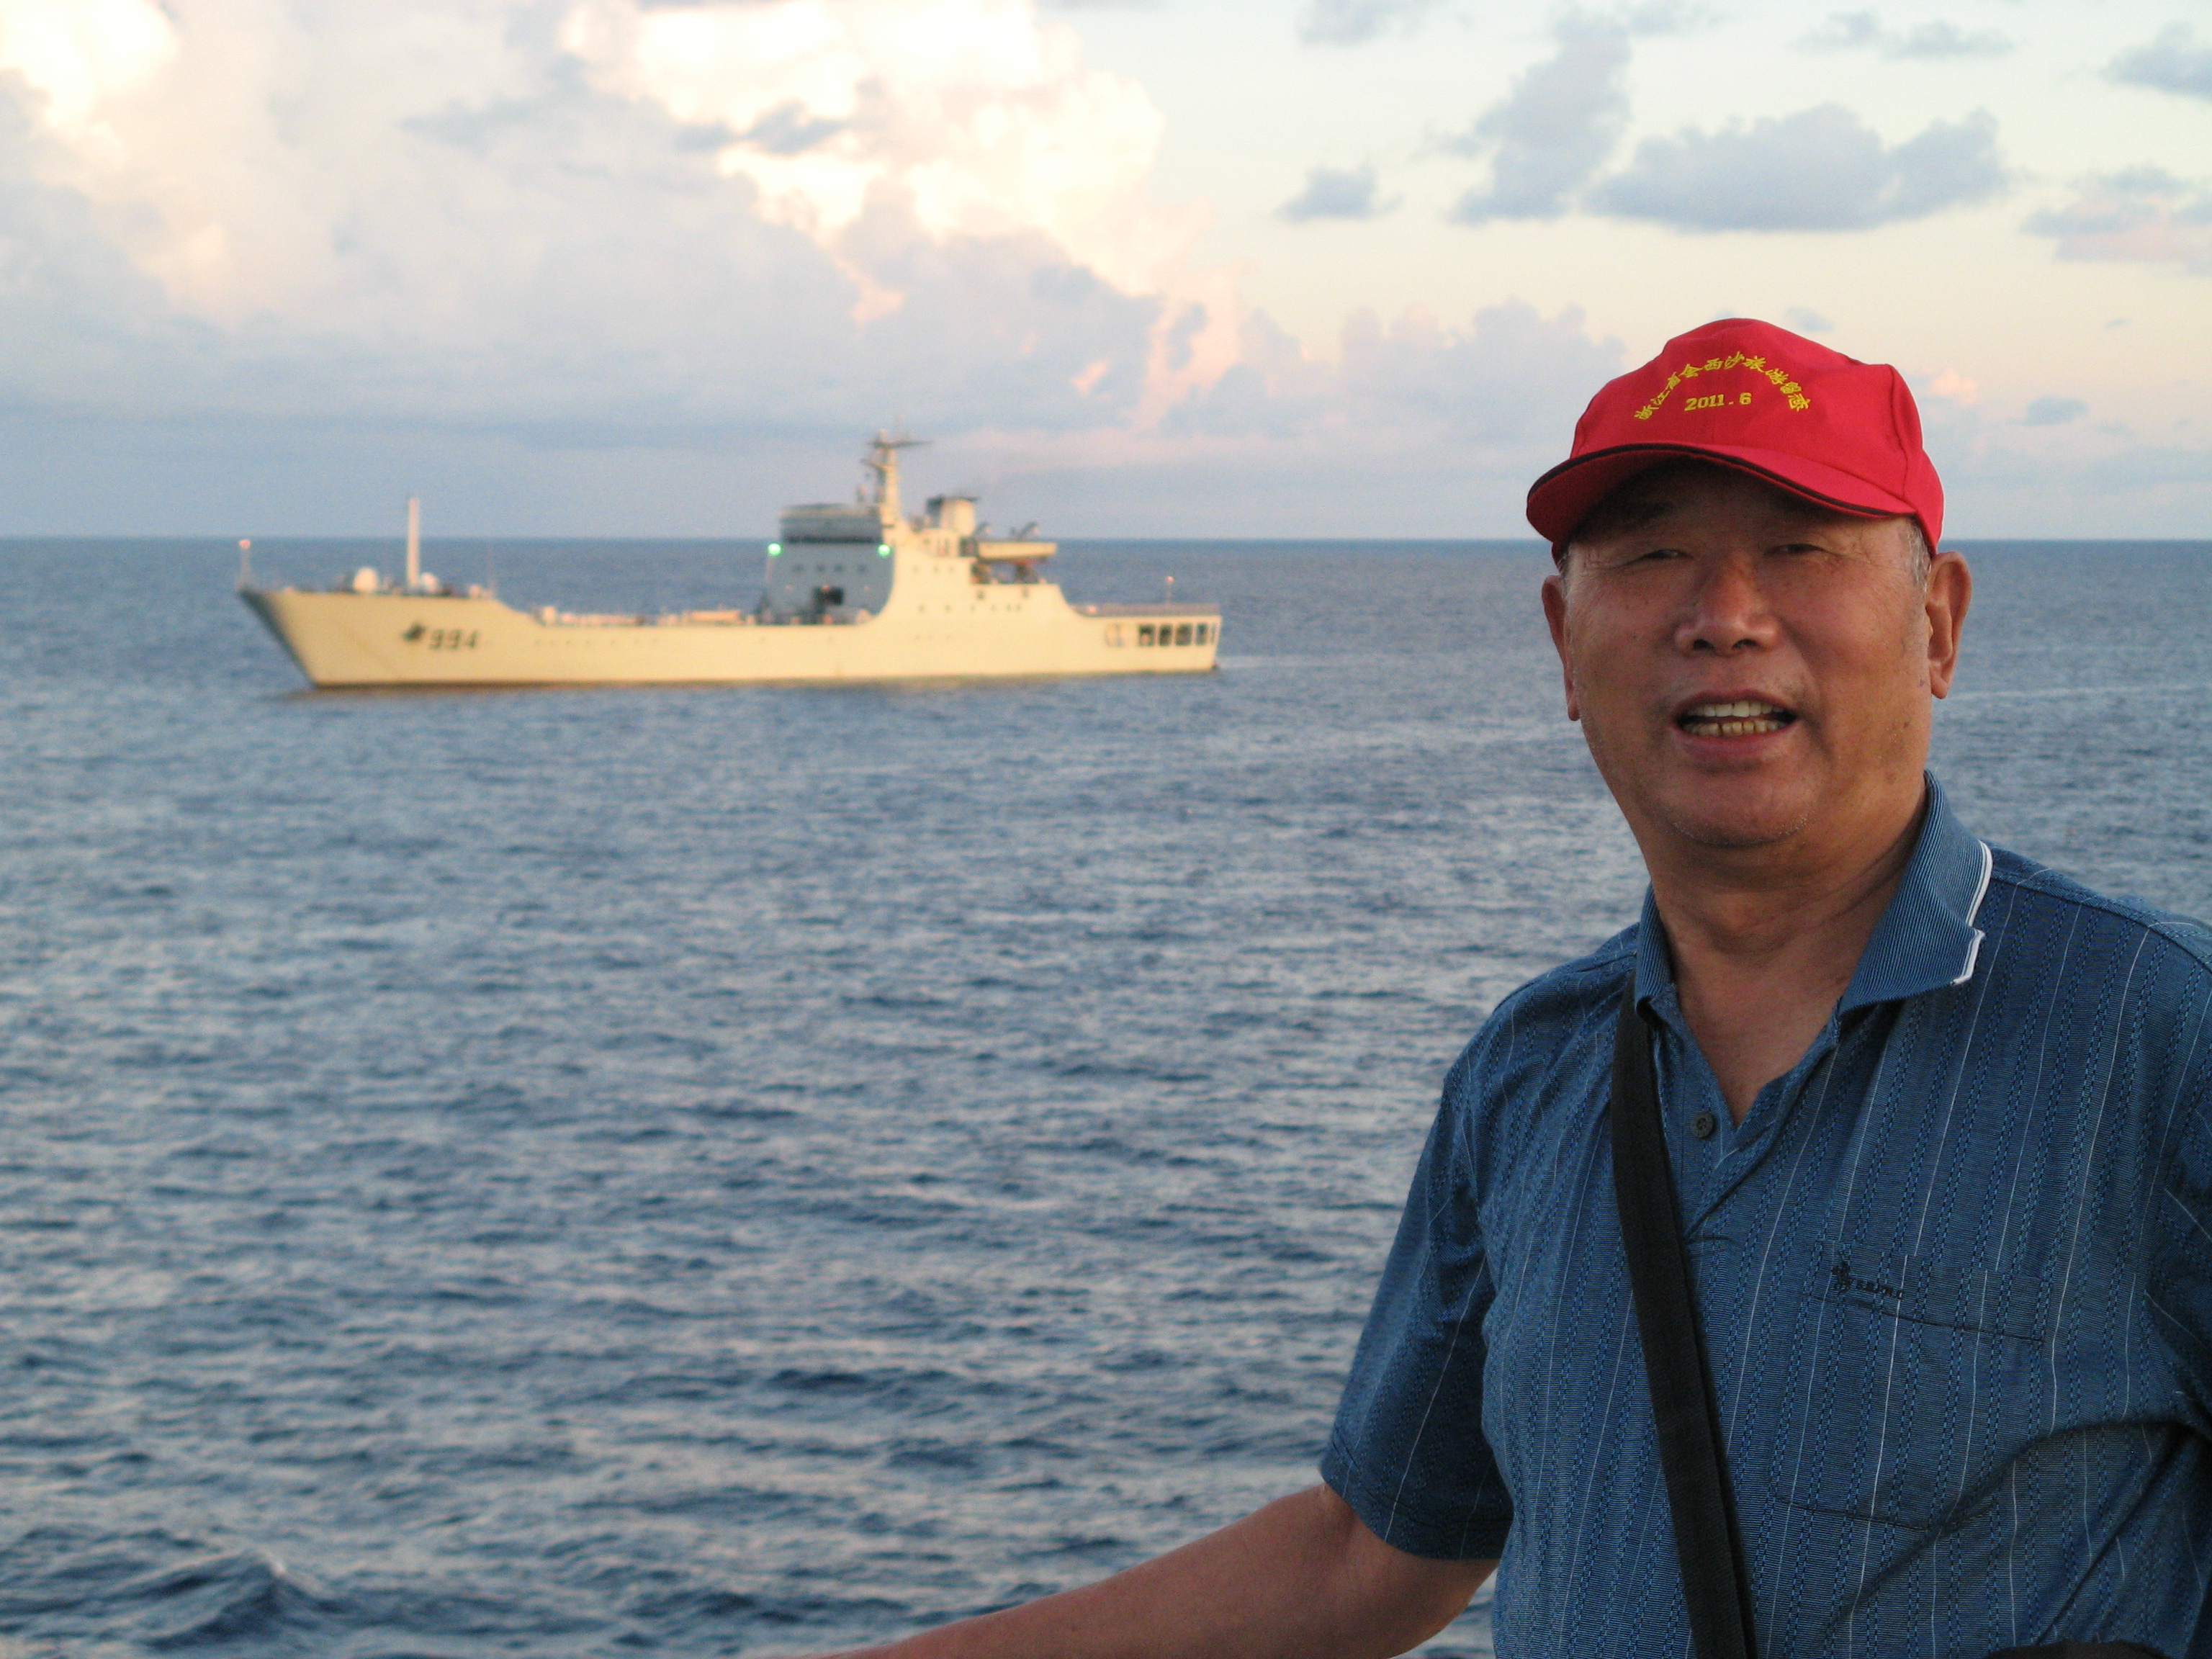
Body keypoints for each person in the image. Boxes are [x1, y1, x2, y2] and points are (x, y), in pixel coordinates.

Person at [808, 318, 2212, 1658]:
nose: (1725, 616)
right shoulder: (1531, 1072)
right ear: (1562, 641)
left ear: (1939, 626)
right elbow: (1375, 1558)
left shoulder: (2158, 1039)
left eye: (1799, 547)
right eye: (1653, 555)